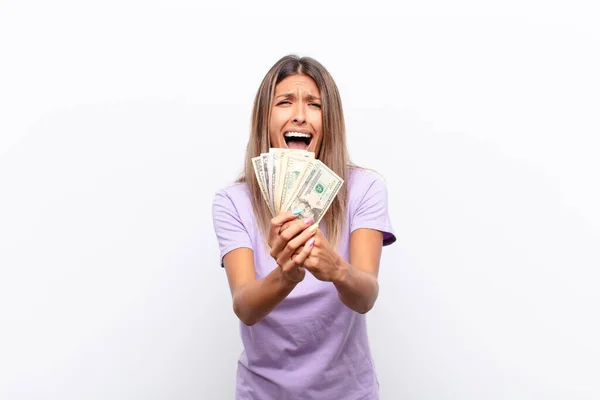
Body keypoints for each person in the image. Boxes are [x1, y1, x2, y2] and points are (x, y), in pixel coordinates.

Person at [212, 55, 396, 400]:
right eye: (285, 102)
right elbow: (245, 308)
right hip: (263, 393)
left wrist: (336, 269)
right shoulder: (232, 201)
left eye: (315, 104)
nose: (300, 114)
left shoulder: (364, 188)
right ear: (265, 118)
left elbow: (366, 296)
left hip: (347, 393)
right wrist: (288, 275)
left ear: (331, 121)